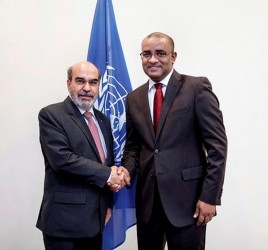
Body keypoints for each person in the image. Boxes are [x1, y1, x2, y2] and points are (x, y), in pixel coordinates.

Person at [122, 32, 227, 250]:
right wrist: (125, 171)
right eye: (146, 54)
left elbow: (217, 147)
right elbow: (133, 147)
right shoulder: (133, 98)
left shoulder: (196, 88)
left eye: (160, 53)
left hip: (188, 203)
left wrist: (210, 197)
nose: (153, 59)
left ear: (173, 56)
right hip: (148, 204)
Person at [36, 61, 129, 250]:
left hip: (96, 221)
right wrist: (109, 175)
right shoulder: (51, 115)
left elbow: (107, 162)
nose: (87, 88)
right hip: (65, 224)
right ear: (68, 83)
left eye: (93, 82)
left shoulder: (103, 120)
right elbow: (62, 160)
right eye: (80, 81)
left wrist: (108, 205)